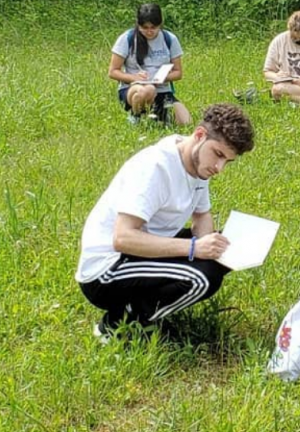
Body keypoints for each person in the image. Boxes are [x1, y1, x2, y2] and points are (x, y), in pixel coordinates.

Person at [76, 103, 256, 337]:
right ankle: (117, 325)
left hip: (142, 250)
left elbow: (202, 214)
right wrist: (195, 249)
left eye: (227, 162)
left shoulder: (197, 162)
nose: (219, 168)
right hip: (107, 270)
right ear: (200, 135)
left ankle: (144, 309)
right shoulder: (155, 168)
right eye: (219, 155)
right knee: (202, 279)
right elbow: (123, 237)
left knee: (227, 246)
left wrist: (209, 247)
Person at [108, 3, 191, 126]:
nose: (149, 32)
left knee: (186, 122)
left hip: (162, 89)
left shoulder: (170, 39)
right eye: (145, 27)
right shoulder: (127, 38)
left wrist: (163, 77)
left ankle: (157, 115)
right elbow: (113, 71)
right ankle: (135, 116)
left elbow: (178, 73)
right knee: (147, 90)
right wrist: (134, 78)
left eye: (153, 27)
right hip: (133, 88)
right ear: (138, 24)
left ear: (160, 24)